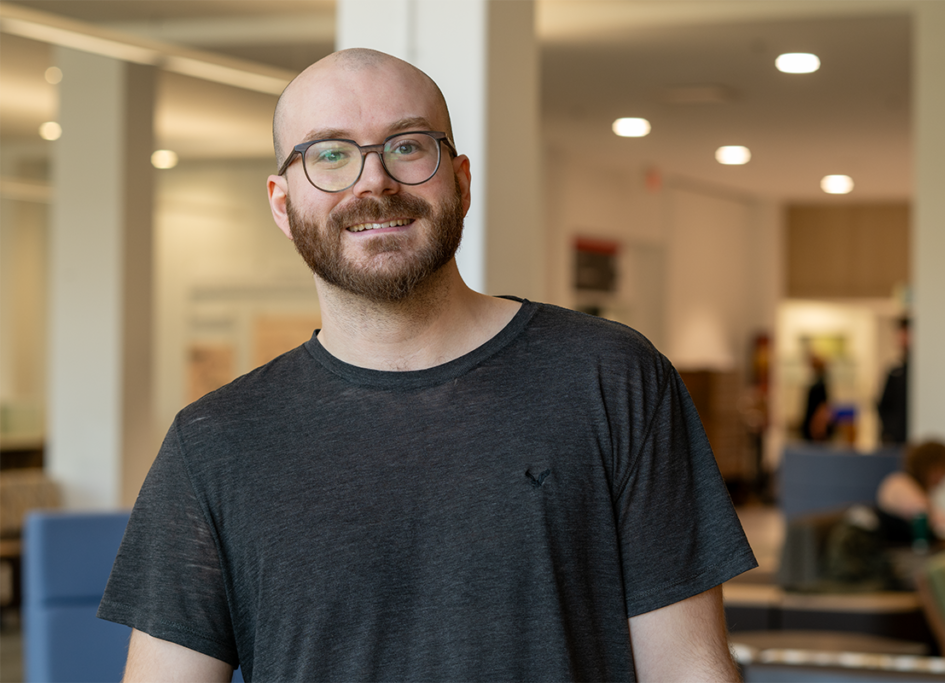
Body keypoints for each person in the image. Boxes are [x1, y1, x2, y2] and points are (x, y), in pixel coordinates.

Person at [97, 49, 756, 682]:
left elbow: (689, 667)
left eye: (408, 145)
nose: (374, 180)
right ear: (281, 202)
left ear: (461, 180)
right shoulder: (214, 442)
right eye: (329, 154)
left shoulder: (612, 378)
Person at [877, 317, 910, 444]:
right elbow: (884, 405)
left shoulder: (922, 371)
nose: (901, 338)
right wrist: (890, 432)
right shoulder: (896, 370)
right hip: (897, 439)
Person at [801, 354, 832, 442]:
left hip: (814, 428)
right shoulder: (818, 383)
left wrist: (818, 428)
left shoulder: (820, 385)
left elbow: (822, 409)